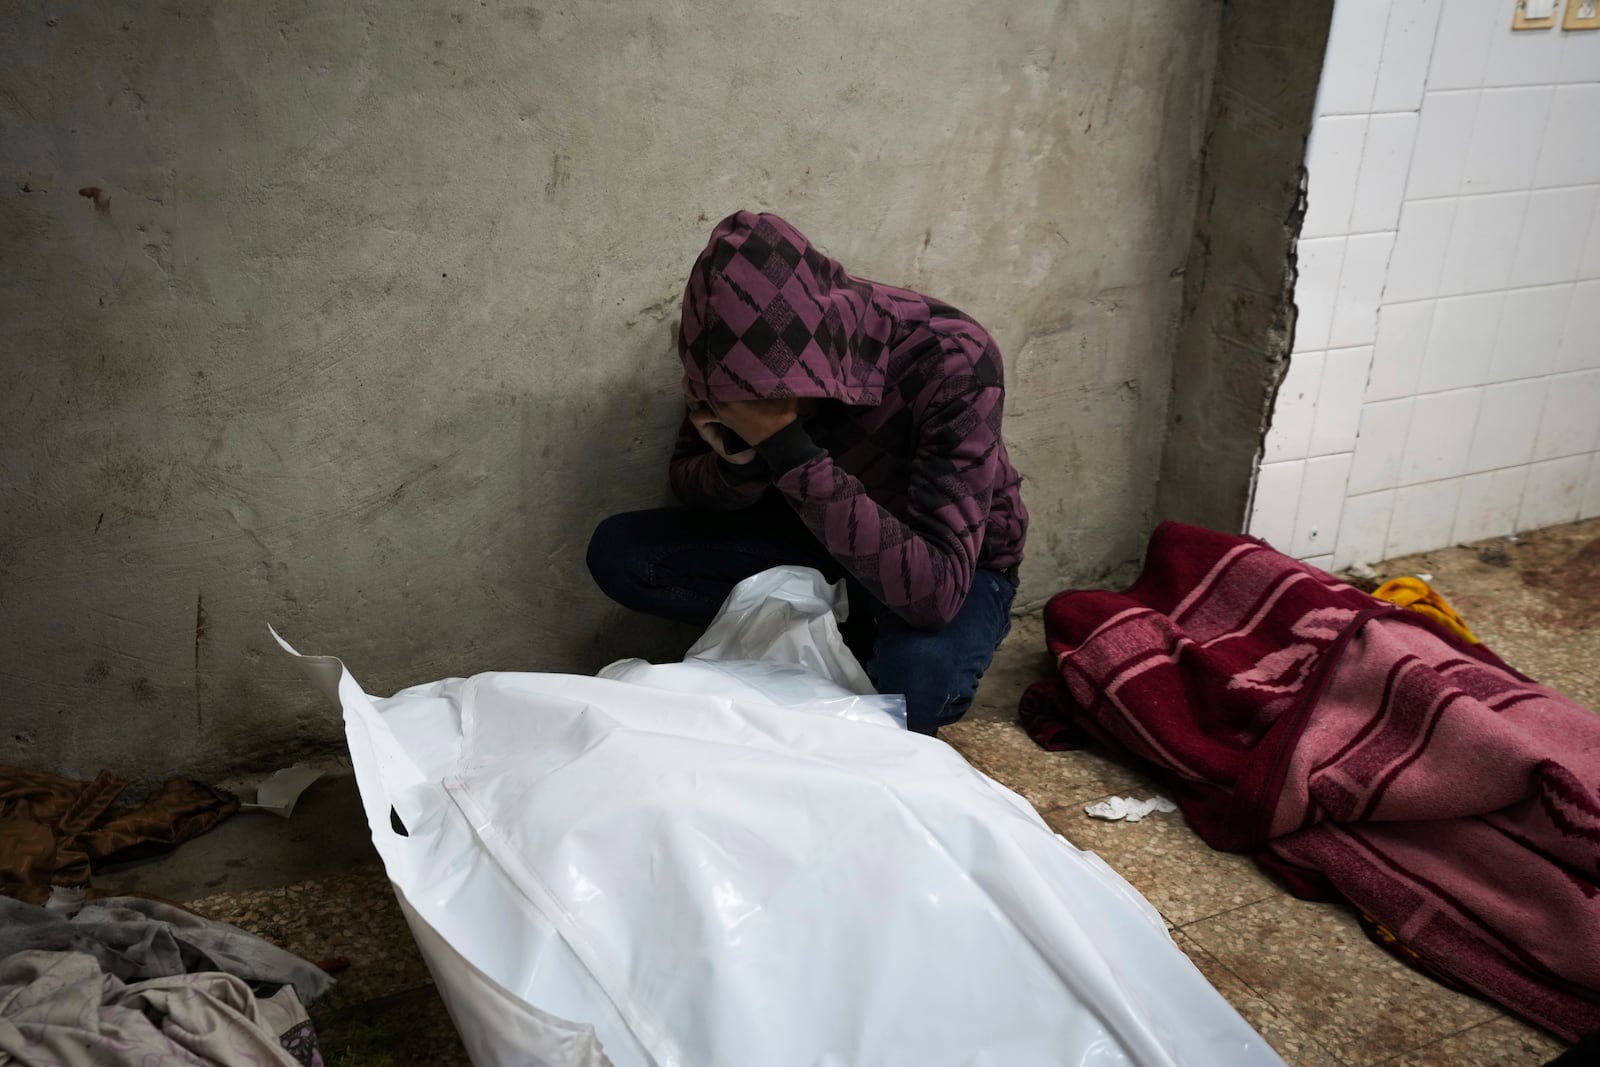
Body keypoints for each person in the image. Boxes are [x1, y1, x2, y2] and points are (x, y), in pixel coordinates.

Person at [587, 210, 1028, 735]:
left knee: (915, 688)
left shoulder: (953, 359)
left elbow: (936, 594)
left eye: (767, 397)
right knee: (622, 553)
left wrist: (785, 444)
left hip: (950, 568)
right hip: (815, 544)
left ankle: (851, 645)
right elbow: (693, 490)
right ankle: (843, 638)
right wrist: (741, 453)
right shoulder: (730, 352)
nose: (751, 405)